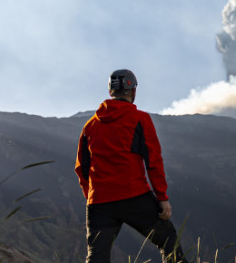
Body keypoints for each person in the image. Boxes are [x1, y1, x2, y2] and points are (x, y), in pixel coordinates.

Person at [75, 69, 189, 263]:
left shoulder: (90, 126)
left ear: (111, 91)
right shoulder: (140, 120)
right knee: (169, 241)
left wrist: (93, 196)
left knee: (97, 258)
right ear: (133, 91)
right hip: (133, 195)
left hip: (99, 202)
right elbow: (153, 161)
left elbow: (81, 168)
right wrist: (162, 196)